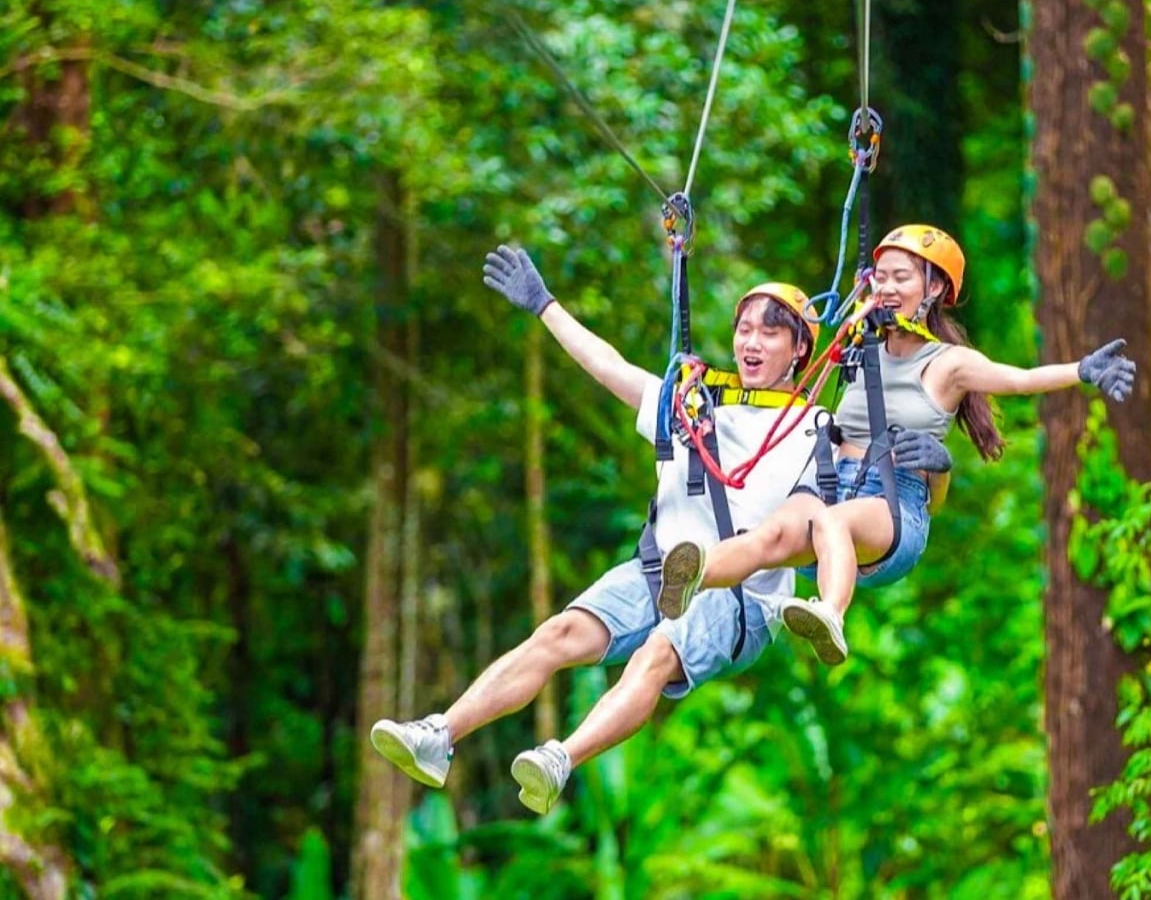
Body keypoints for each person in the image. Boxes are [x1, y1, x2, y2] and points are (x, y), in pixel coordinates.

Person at [369, 244, 951, 814]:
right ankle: (439, 735)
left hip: (739, 598)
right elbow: (609, 367)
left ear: (801, 347)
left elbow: (890, 503)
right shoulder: (690, 406)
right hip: (658, 571)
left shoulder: (817, 427)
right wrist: (546, 304)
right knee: (560, 633)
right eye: (744, 328)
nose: (751, 341)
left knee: (656, 649)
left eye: (770, 332)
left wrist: (931, 469)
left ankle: (559, 759)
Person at [657, 224, 1137, 666]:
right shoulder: (859, 348)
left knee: (830, 521)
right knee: (769, 535)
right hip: (831, 483)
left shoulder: (947, 363)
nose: (886, 288)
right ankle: (691, 574)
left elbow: (1018, 378)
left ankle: (830, 614)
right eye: (880, 277)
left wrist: (1080, 371)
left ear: (933, 289)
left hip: (892, 502)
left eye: (901, 278)